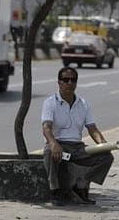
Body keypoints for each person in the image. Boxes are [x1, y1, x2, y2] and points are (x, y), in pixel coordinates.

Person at [41, 67, 114, 206]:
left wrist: (102, 143)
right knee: (49, 152)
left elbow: (92, 128)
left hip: (77, 148)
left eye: (73, 80)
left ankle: (80, 186)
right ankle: (55, 191)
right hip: (59, 145)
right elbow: (46, 128)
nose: (69, 83)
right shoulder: (50, 103)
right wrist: (53, 143)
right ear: (59, 82)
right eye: (65, 80)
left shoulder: (83, 104)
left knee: (106, 157)